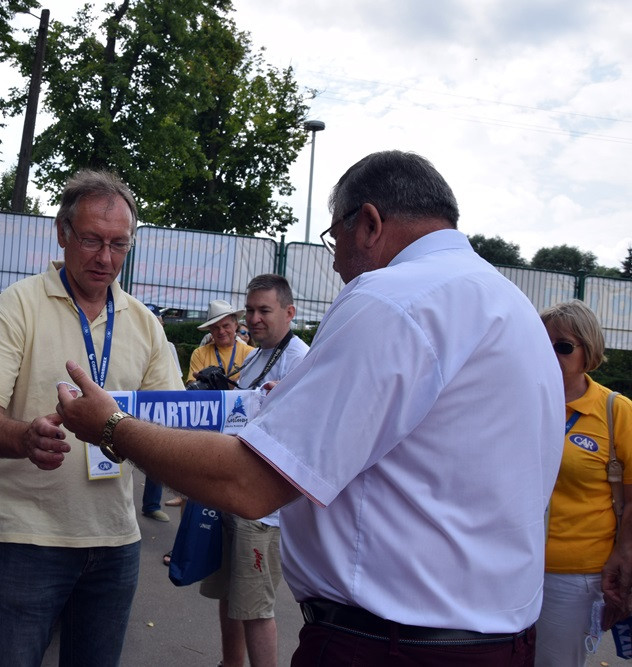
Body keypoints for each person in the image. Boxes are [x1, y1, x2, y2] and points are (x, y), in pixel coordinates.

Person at [55, 150, 564, 666]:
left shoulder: (390, 300)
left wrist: (111, 426)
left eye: (334, 241)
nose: (338, 264)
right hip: (497, 641)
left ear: (368, 222)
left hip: (388, 645)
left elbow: (249, 484)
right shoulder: (510, 305)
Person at [0, 169, 183, 667]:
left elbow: (176, 422)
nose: (106, 259)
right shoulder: (17, 306)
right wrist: (24, 437)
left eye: (119, 245)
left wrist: (242, 418)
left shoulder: (144, 323)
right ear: (61, 233)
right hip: (28, 537)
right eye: (91, 240)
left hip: (117, 539)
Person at [199, 273, 309, 667]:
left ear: (289, 312)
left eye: (264, 310)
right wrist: (222, 396)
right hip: (235, 494)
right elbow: (244, 417)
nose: (254, 318)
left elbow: (307, 436)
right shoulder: (256, 356)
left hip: (264, 510)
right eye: (250, 310)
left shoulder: (301, 360)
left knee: (256, 607)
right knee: (231, 595)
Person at [536, 300, 632, 666]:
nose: (550, 353)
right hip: (508, 564)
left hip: (574, 577)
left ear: (587, 351)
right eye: (541, 343)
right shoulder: (519, 401)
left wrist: (625, 555)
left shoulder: (615, 411)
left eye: (563, 346)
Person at [140, 303, 177, 523]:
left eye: (159, 320)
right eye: (153, 319)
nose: (157, 323)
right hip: (131, 405)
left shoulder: (169, 346)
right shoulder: (130, 339)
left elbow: (173, 379)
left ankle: (151, 505)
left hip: (158, 407)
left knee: (154, 458)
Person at [187, 300, 255, 386]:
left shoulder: (251, 353)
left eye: (225, 326)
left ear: (236, 325)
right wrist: (233, 384)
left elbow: (254, 386)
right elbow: (192, 386)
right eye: (215, 328)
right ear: (210, 330)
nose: (221, 331)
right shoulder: (199, 353)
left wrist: (210, 384)